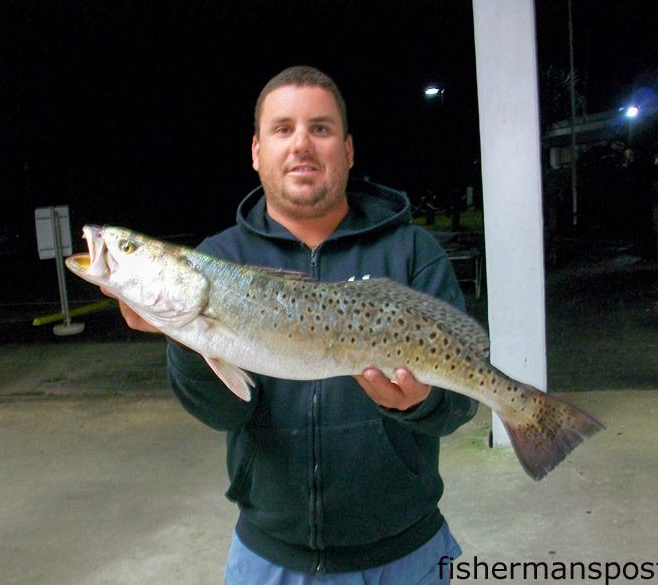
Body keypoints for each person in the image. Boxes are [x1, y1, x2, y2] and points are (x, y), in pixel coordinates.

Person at [111, 65, 477, 584]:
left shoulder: (412, 252)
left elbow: (460, 401)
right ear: (257, 151)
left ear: (348, 151)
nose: (301, 144)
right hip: (271, 558)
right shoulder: (217, 261)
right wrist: (186, 335)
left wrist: (421, 402)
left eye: (320, 129)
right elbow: (221, 412)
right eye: (282, 129)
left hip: (409, 554)